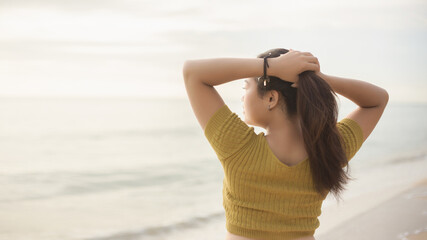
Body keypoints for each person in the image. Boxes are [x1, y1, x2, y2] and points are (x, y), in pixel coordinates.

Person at [182, 48, 389, 240]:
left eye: (247, 87)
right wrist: (319, 80)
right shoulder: (329, 150)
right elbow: (378, 99)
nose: (243, 96)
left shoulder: (238, 147)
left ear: (271, 98)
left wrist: (269, 66)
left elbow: (193, 73)